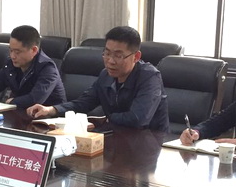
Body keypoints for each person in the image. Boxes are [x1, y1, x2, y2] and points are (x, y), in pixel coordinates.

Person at [27, 26, 169, 131]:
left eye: (118, 56)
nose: (110, 61)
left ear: (136, 57)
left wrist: (106, 118)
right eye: (107, 54)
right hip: (114, 137)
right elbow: (83, 103)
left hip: (150, 143)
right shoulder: (106, 75)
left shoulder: (150, 77)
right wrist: (51, 110)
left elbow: (138, 119)